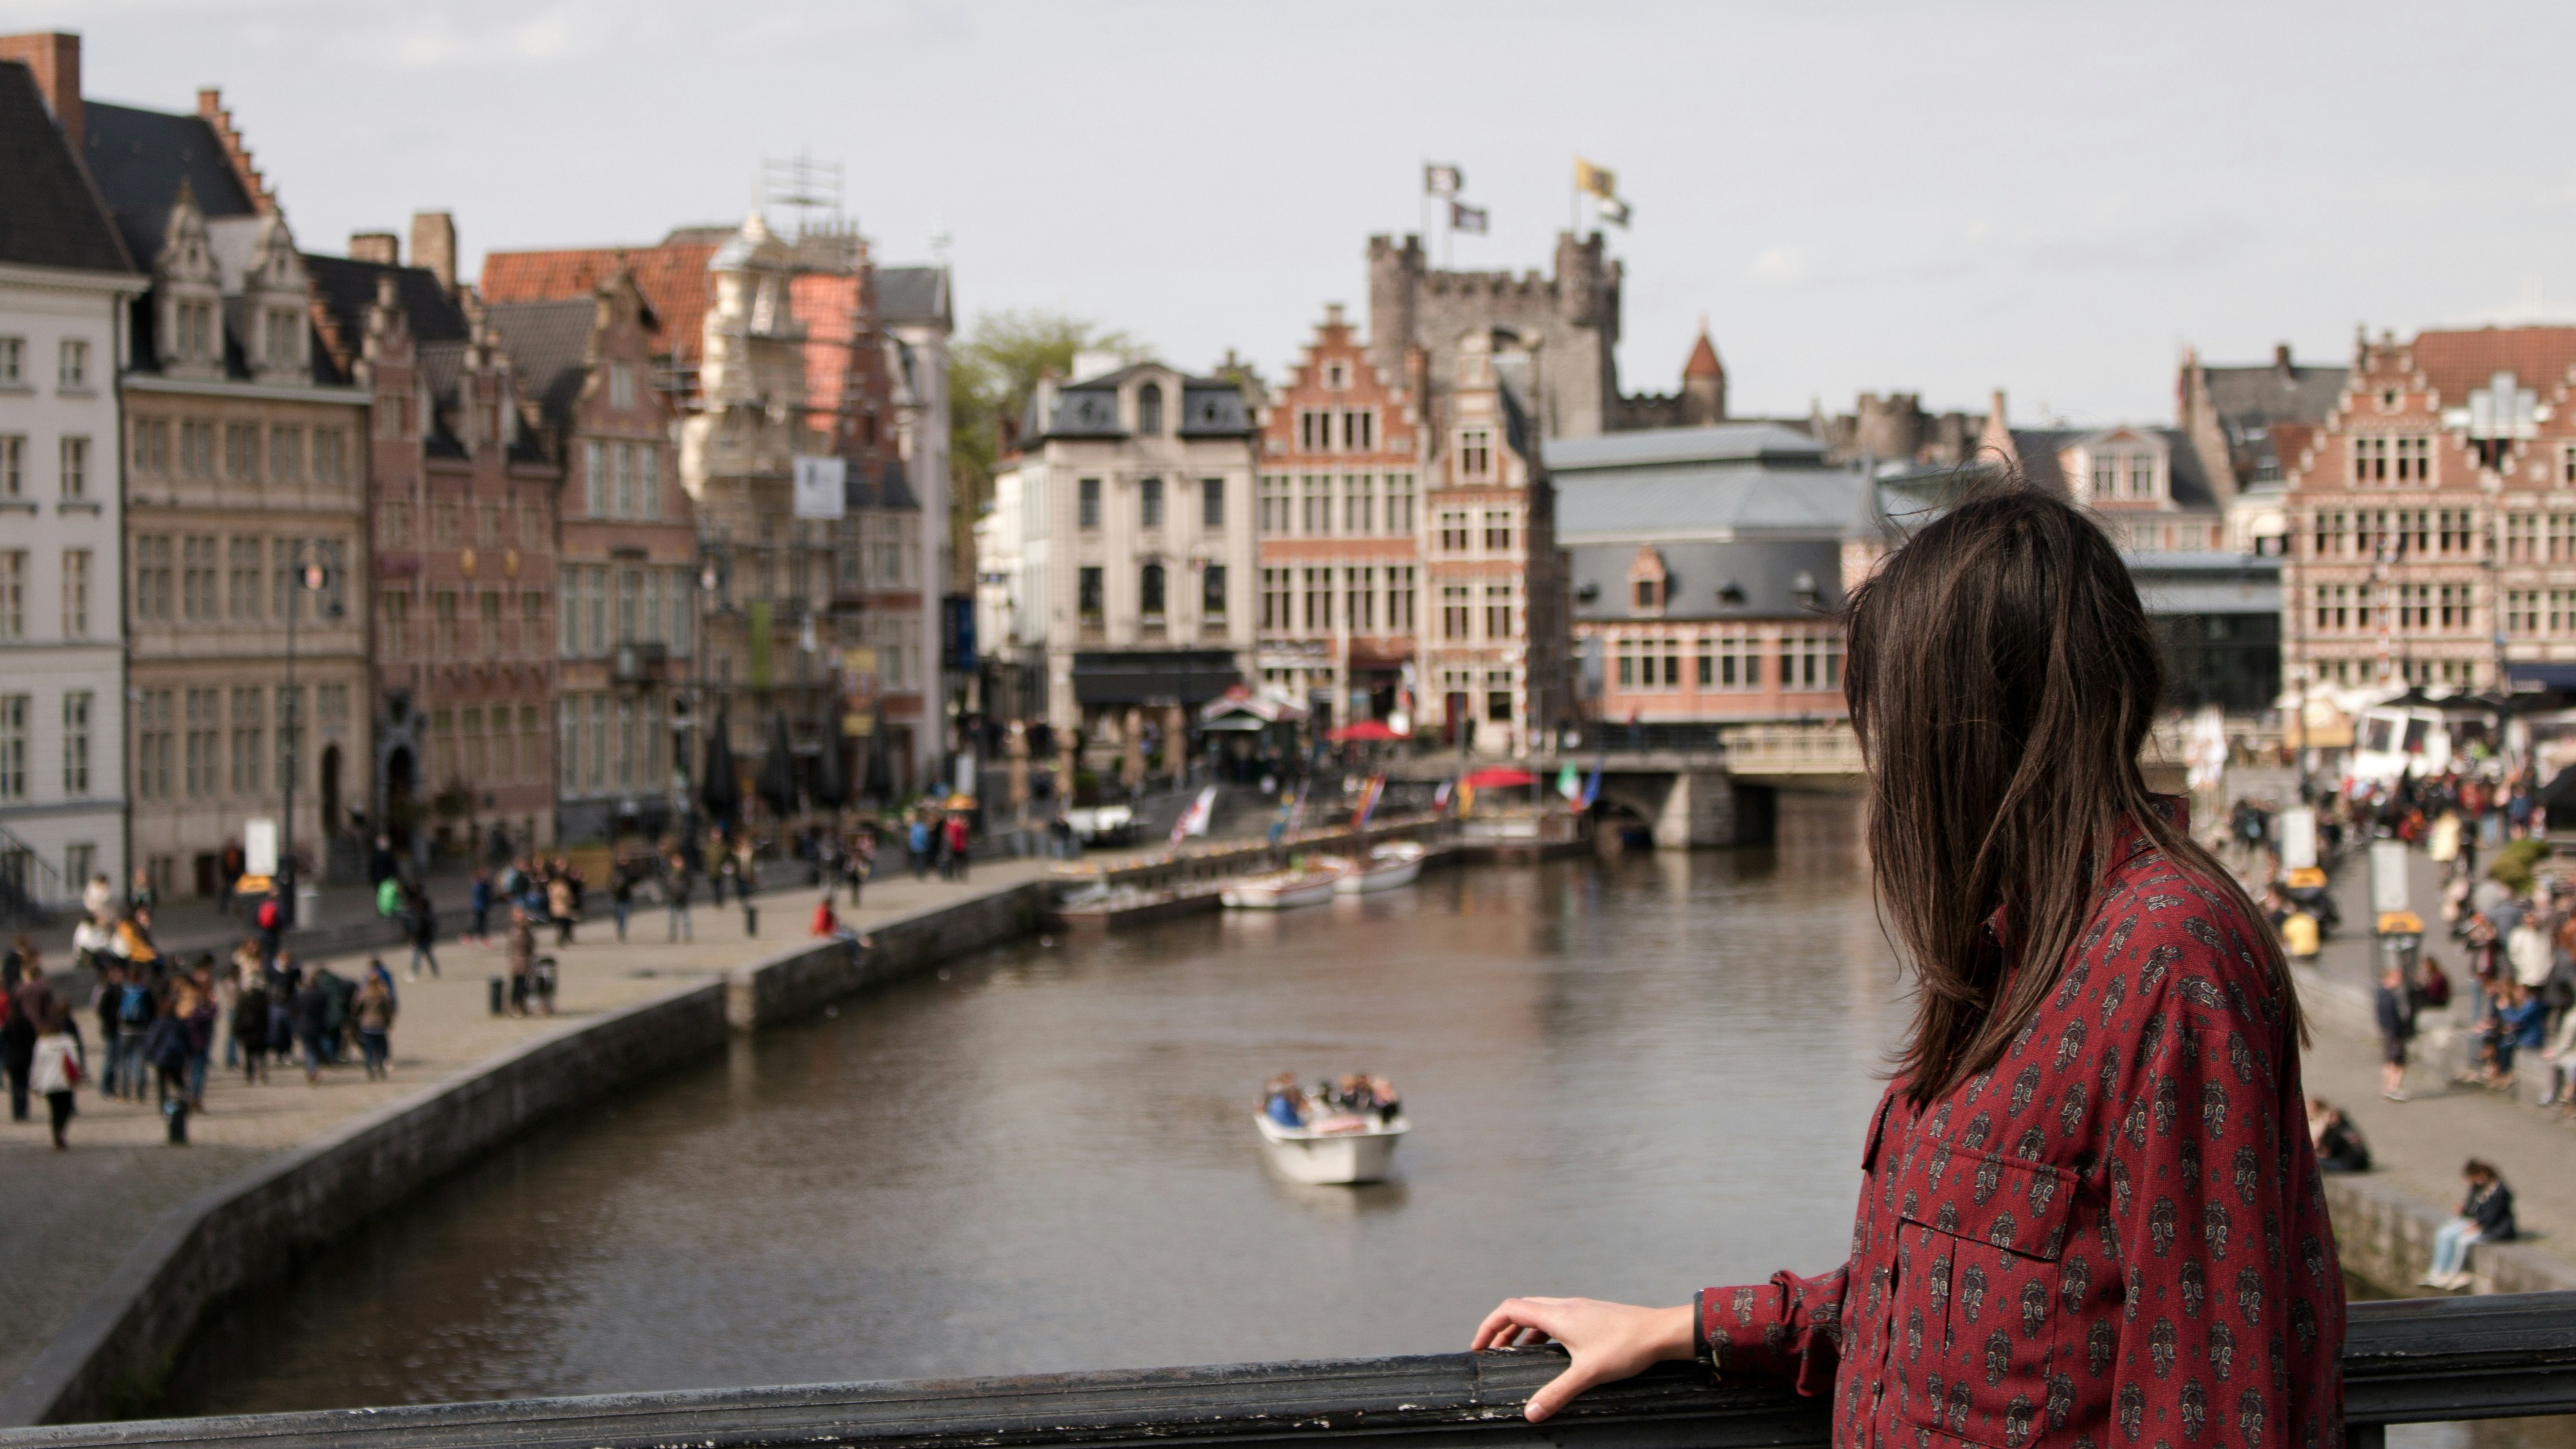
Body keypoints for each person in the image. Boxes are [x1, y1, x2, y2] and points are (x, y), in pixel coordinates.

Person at [1465, 485, 2345, 1441]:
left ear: (1962, 732)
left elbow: (2212, 1398)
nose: (1882, 774)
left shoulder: (2170, 962)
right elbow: (1941, 1296)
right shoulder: (2016, 953)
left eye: (1891, 727)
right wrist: (1682, 1326)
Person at [2423, 1159, 2517, 1290]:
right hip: (2479, 1224)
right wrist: (2464, 1210)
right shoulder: (2479, 1189)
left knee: (2462, 1241)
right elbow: (2473, 1208)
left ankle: (2453, 1273)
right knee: (2445, 1233)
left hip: (2496, 1230)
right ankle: (2438, 1271)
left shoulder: (2500, 1193)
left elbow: (2493, 1216)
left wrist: (2478, 1224)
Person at [3, 960, 49, 1120]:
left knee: (15, 1086)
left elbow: (5, 1040)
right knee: (24, 1084)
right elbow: (32, 1038)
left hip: (12, 1059)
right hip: (25, 1057)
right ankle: (24, 1111)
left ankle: (17, 1112)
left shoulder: (9, 1024)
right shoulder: (26, 1023)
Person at [30, 1001, 81, 1149]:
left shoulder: (41, 1044)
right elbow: (75, 1061)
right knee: (66, 1109)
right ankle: (61, 1131)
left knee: (54, 1111)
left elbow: (37, 1065)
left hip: (49, 1083)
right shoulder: (67, 1042)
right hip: (65, 1082)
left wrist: (35, 1083)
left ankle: (57, 1134)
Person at [2376, 962, 2416, 1100]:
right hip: (2394, 1033)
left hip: (2388, 1032)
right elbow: (2392, 1018)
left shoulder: (2382, 995)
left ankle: (2388, 1089)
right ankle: (2393, 1088)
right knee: (2397, 1062)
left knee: (2390, 1061)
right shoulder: (2388, 997)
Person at [232, 958, 271, 1085]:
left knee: (250, 1054)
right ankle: (261, 1073)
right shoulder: (261, 997)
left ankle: (251, 1076)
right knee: (259, 1054)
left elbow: (238, 1016)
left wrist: (236, 1030)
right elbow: (266, 1015)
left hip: (249, 1030)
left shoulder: (243, 998)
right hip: (258, 1029)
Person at [2307, 1097, 2371, 1172]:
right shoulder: (2346, 1127)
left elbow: (2320, 1149)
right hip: (2362, 1163)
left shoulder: (2337, 1131)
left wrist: (2323, 1126)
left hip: (2350, 1165)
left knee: (2313, 1160)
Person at [291, 968, 331, 1085]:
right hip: (318, 1027)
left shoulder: (301, 996)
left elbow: (294, 1012)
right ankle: (313, 1070)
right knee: (314, 1049)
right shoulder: (322, 995)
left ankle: (312, 1072)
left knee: (309, 1050)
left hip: (303, 1027)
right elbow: (325, 1011)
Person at [353, 969, 395, 1081]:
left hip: (367, 1025)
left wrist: (358, 1018)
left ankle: (369, 1068)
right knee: (380, 1048)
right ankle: (380, 1067)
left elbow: (357, 1008)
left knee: (369, 1048)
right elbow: (388, 1010)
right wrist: (388, 1023)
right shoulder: (383, 994)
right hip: (380, 1026)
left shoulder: (364, 994)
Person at [408, 883, 441, 981]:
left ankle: (415, 972)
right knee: (428, 955)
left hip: (421, 938)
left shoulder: (420, 915)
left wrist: (414, 938)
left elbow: (418, 928)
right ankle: (435, 971)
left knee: (417, 955)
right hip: (426, 938)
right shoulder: (428, 914)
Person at [665, 852, 694, 942]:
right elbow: (666, 886)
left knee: (686, 920)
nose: (677, 863)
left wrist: (686, 892)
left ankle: (688, 936)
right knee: (673, 920)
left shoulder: (686, 873)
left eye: (679, 861)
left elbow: (690, 885)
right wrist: (669, 895)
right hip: (673, 899)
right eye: (675, 861)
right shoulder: (669, 874)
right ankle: (672, 936)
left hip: (684, 899)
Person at [469, 867, 495, 946]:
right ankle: (482, 938)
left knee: (481, 924)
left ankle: (483, 938)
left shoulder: (483, 884)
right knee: (480, 924)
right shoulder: (479, 885)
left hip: (481, 906)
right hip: (480, 907)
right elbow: (483, 897)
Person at [611, 867, 634, 943]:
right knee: (620, 916)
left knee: (624, 916)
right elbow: (611, 886)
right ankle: (620, 930)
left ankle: (622, 931)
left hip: (626, 898)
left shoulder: (628, 874)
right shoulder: (615, 875)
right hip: (619, 899)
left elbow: (630, 885)